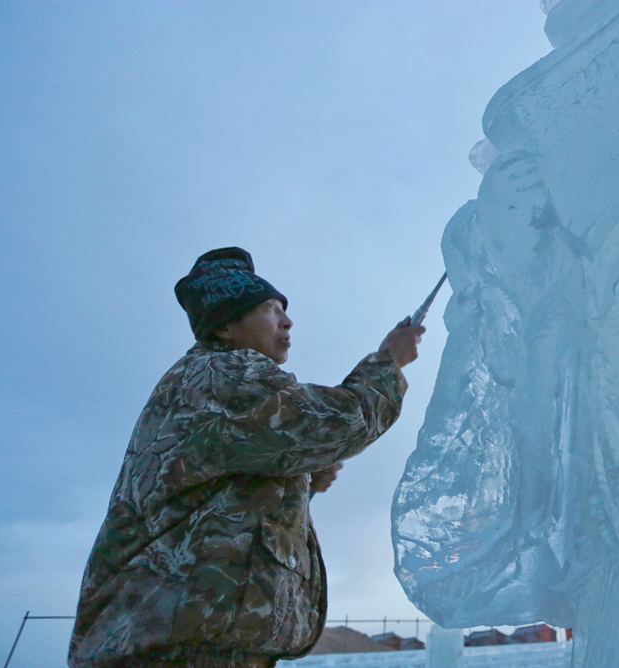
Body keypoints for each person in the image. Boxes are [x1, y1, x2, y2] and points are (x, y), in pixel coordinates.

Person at [68, 247, 425, 668]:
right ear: (225, 327)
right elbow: (339, 422)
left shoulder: (212, 380)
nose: (287, 321)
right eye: (270, 309)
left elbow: (216, 510)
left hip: (186, 646)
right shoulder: (222, 375)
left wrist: (304, 483)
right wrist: (389, 361)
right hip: (180, 651)